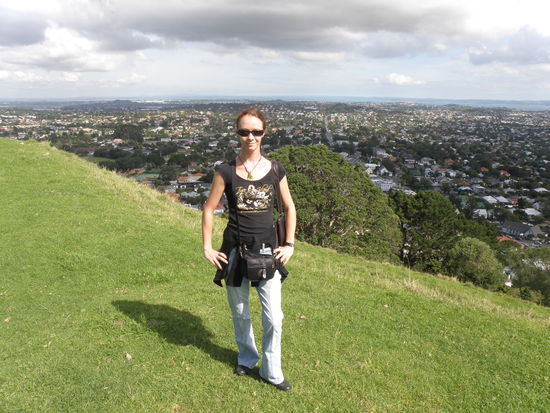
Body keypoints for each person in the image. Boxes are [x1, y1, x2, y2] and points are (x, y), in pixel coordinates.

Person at [202, 107, 296, 391]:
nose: (250, 137)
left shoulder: (275, 169)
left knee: (274, 318)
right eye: (244, 132)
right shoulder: (226, 171)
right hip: (234, 250)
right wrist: (207, 247)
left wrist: (289, 244)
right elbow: (209, 209)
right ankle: (246, 357)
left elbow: (289, 207)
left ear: (264, 133)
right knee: (241, 312)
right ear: (237, 134)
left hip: (268, 250)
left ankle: (271, 371)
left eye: (256, 131)